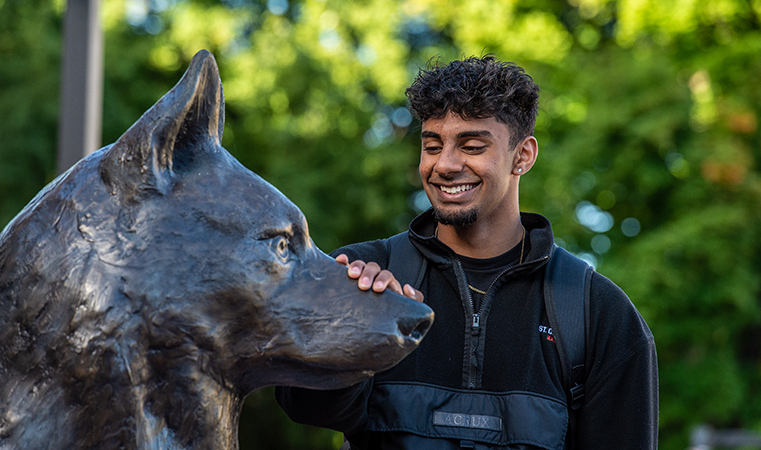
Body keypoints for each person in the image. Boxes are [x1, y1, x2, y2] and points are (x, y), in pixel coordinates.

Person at [276, 55, 658, 450]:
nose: (445, 164)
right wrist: (356, 327)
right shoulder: (360, 275)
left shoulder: (599, 313)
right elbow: (302, 406)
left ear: (522, 156)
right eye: (432, 145)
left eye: (472, 146)